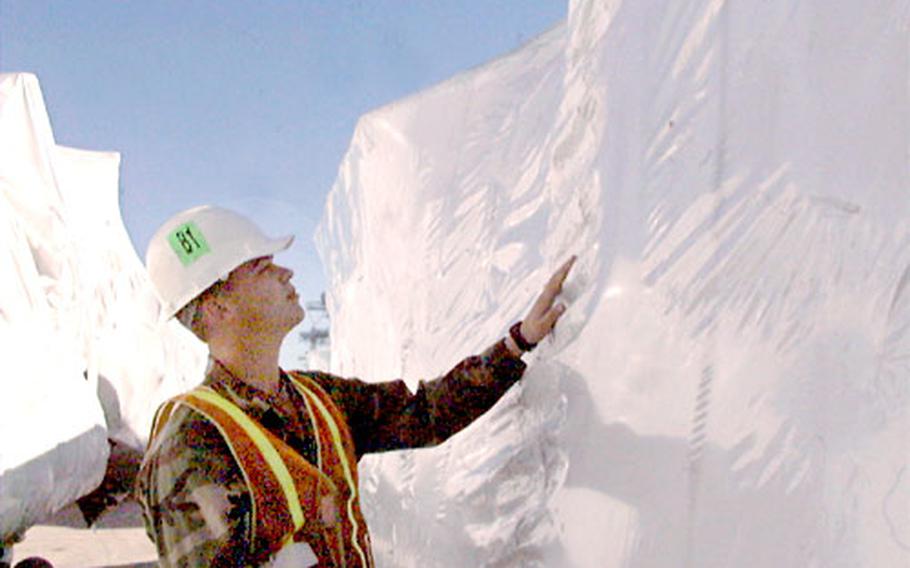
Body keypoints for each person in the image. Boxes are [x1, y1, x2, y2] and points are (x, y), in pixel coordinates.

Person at [136, 205, 575, 567]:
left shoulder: (320, 400)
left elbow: (426, 413)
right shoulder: (190, 443)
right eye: (261, 267)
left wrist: (517, 343)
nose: (287, 273)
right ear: (217, 309)